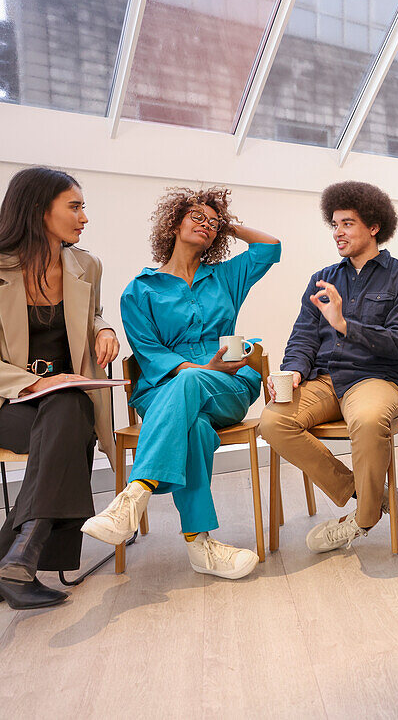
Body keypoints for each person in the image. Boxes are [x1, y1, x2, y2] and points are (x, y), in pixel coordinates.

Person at [82, 187, 280, 580]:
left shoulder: (225, 277)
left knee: (193, 384)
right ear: (174, 223)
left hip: (229, 384)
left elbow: (270, 247)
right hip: (165, 390)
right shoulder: (140, 290)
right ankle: (200, 545)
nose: (205, 225)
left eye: (212, 222)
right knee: (197, 429)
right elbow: (151, 354)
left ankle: (136, 492)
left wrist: (227, 225)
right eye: (196, 217)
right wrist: (197, 366)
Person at [259, 181, 398, 553]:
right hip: (323, 379)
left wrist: (345, 324)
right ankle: (364, 492)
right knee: (273, 421)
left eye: (347, 224)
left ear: (374, 226)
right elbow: (302, 335)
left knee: (367, 422)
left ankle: (362, 520)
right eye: (334, 224)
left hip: (375, 377)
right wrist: (295, 370)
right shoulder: (324, 278)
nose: (338, 233)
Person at [0, 167, 120, 609]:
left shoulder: (86, 265)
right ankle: (20, 556)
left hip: (64, 402)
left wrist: (104, 329)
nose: (84, 217)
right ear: (38, 209)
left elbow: (92, 313)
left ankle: (17, 559)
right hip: (8, 403)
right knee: (69, 417)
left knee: (69, 409)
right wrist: (38, 382)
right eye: (74, 206)